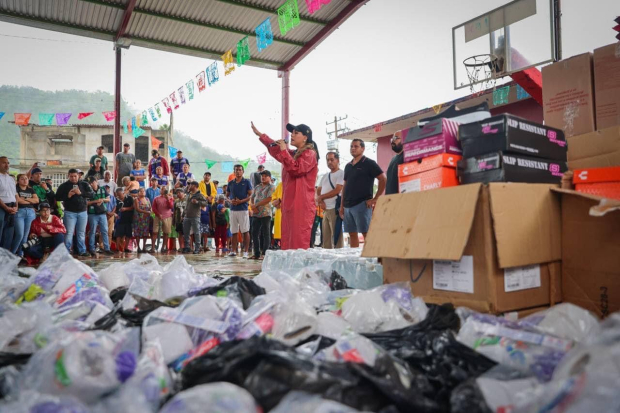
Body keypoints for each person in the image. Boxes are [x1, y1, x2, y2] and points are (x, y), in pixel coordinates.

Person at [252, 121, 319, 250]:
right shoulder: (294, 154)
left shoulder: (310, 154)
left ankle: (299, 269)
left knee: (298, 240)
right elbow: (277, 150)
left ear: (305, 137)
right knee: (287, 238)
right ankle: (289, 269)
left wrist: (283, 150)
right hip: (289, 202)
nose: (292, 135)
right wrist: (261, 135)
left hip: (301, 204)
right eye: (291, 132)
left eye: (296, 132)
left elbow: (296, 169)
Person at [339, 139, 387, 248]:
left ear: (363, 148)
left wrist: (375, 199)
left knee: (366, 233)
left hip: (362, 204)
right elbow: (345, 186)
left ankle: (371, 258)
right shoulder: (348, 166)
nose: (353, 148)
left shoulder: (369, 163)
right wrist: (342, 206)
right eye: (351, 146)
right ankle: (355, 259)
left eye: (356, 146)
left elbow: (383, 179)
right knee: (352, 234)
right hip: (347, 206)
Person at [56, 168, 95, 257]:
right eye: (71, 176)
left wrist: (80, 193)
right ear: (68, 176)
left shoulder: (84, 184)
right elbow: (57, 197)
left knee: (81, 232)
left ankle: (82, 250)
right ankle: (67, 251)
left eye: (75, 176)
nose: (73, 178)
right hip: (70, 212)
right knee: (69, 232)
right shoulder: (64, 186)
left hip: (82, 212)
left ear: (78, 176)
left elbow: (92, 194)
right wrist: (68, 195)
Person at [317, 151, 344, 249]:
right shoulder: (325, 176)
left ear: (338, 160)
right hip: (325, 210)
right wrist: (321, 201)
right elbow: (318, 190)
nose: (329, 162)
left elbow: (337, 190)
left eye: (332, 159)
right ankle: (327, 258)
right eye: (328, 160)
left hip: (334, 209)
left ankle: (340, 258)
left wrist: (321, 197)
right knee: (326, 237)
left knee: (337, 236)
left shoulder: (341, 173)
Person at [226, 164, 253, 257]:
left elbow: (250, 195)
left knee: (245, 231)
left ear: (243, 171)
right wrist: (231, 201)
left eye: (240, 170)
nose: (238, 171)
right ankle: (233, 250)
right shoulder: (231, 183)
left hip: (243, 209)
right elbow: (227, 196)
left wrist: (241, 201)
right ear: (234, 171)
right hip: (233, 210)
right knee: (234, 231)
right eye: (236, 170)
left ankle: (245, 251)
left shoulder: (247, 182)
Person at [249, 169, 275, 260]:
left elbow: (269, 199)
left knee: (266, 233)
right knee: (254, 233)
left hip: (265, 213)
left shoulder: (271, 187)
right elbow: (252, 197)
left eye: (265, 176)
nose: (263, 177)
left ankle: (264, 254)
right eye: (262, 176)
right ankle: (256, 254)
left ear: (269, 177)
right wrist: (253, 206)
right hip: (256, 213)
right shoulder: (257, 187)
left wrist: (256, 205)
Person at [12, 174, 38, 256]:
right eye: (22, 179)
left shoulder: (31, 189)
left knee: (25, 236)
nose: (25, 180)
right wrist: (31, 201)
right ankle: (12, 254)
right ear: (18, 180)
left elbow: (37, 200)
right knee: (19, 234)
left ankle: (21, 254)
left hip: (30, 212)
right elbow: (19, 201)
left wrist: (26, 199)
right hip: (20, 211)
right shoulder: (16, 189)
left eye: (26, 178)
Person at [86, 177, 113, 256]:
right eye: (90, 183)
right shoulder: (88, 191)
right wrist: (95, 201)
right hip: (92, 214)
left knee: (105, 231)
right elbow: (86, 203)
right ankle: (92, 249)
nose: (91, 184)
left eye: (92, 182)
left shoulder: (102, 189)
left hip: (102, 213)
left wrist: (102, 200)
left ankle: (107, 248)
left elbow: (108, 199)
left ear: (96, 182)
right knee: (92, 232)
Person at [183, 181, 208, 254]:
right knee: (186, 233)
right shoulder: (188, 194)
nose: (189, 186)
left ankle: (197, 248)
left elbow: (205, 203)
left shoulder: (199, 195)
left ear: (194, 186)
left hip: (195, 216)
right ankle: (187, 247)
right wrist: (183, 215)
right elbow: (186, 205)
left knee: (197, 232)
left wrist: (197, 202)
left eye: (190, 185)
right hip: (186, 216)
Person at [0, 157, 17, 250]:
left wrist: (16, 207)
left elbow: (15, 195)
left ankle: (5, 258)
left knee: (9, 235)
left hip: (12, 207)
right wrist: (6, 208)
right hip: (2, 207)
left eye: (8, 163)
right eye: (3, 163)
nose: (6, 165)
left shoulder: (11, 179)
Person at [152, 187, 174, 253]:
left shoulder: (170, 198)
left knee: (166, 233)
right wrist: (158, 214)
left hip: (167, 217)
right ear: (160, 191)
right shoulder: (156, 198)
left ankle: (163, 247)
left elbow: (171, 206)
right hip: (157, 217)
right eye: (162, 189)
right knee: (154, 232)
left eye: (165, 190)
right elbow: (154, 208)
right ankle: (153, 247)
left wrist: (167, 199)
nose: (163, 191)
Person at [114, 187, 133, 256]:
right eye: (118, 195)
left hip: (128, 218)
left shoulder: (129, 198)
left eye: (120, 195)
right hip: (119, 220)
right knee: (118, 234)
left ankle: (126, 247)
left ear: (123, 193)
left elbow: (132, 207)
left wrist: (126, 209)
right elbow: (114, 209)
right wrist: (115, 214)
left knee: (128, 234)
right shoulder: (116, 200)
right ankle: (117, 248)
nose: (119, 196)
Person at [133, 187, 152, 252]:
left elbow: (150, 207)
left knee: (145, 233)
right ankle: (138, 247)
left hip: (146, 219)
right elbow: (137, 209)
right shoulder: (136, 199)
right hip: (138, 219)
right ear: (138, 193)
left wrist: (150, 211)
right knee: (138, 233)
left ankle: (144, 247)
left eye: (143, 191)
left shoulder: (147, 199)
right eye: (141, 191)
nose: (142, 192)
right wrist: (146, 212)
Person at [385, 131, 404, 195]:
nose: (392, 141)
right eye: (392, 139)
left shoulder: (407, 157)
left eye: (395, 138)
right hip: (390, 199)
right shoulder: (393, 159)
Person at [101, 185, 116, 251]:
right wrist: (107, 213)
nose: (107, 190)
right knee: (103, 231)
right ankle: (101, 246)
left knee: (109, 232)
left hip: (111, 216)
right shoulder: (102, 197)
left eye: (108, 189)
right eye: (105, 189)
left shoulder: (112, 197)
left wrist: (112, 213)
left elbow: (115, 206)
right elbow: (102, 206)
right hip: (104, 215)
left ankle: (108, 247)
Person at [271, 181, 282, 249]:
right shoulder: (280, 184)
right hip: (279, 211)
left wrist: (279, 200)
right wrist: (276, 202)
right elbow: (273, 198)